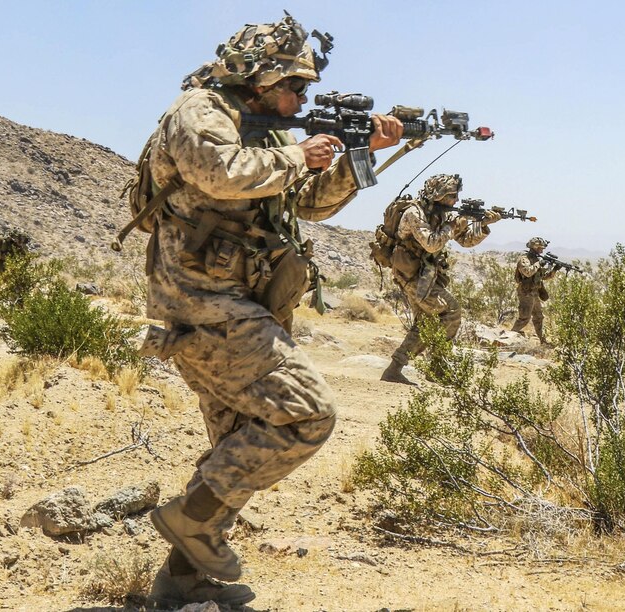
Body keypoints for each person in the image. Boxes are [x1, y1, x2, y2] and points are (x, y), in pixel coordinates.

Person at [135, 14, 403, 608]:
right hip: (204, 304)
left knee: (239, 442)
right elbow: (220, 174)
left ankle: (181, 582)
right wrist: (298, 154)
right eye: (294, 87)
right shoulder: (200, 112)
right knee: (306, 414)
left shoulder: (270, 132)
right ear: (258, 78)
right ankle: (187, 522)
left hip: (240, 303)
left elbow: (310, 206)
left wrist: (362, 156)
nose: (300, 99)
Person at [378, 174, 501, 385]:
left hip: (423, 274)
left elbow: (466, 241)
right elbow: (432, 244)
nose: (456, 201)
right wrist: (453, 226)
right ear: (438, 195)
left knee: (425, 322)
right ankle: (437, 366)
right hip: (410, 274)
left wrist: (482, 225)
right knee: (451, 311)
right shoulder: (414, 213)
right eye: (451, 196)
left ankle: (394, 369)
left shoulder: (441, 214)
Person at [510, 237, 557, 344]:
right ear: (534, 247)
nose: (542, 250)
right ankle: (508, 338)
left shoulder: (536, 259)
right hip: (526, 293)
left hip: (535, 292)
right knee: (524, 318)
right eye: (540, 248)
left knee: (538, 317)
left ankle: (542, 340)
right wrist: (540, 263)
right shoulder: (524, 259)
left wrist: (554, 269)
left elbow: (543, 276)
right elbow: (527, 272)